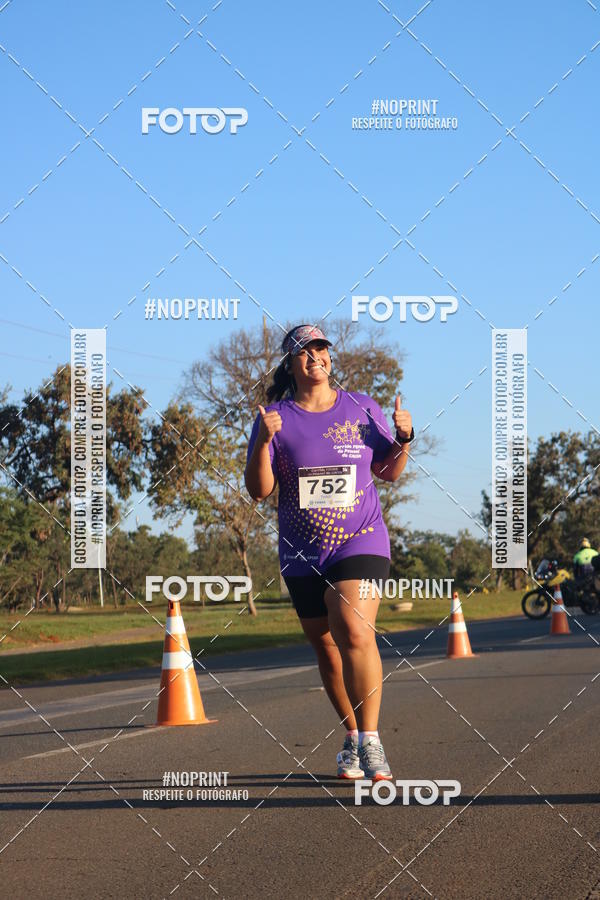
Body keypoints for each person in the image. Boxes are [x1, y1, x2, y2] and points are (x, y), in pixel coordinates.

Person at [244, 324, 413, 781]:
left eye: (321, 348)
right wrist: (262, 440)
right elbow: (259, 490)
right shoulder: (274, 417)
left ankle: (373, 742)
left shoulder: (361, 407)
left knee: (354, 631)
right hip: (301, 550)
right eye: (304, 350)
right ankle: (353, 738)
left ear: (330, 357)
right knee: (327, 648)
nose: (315, 356)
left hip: (361, 537)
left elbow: (389, 471)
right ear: (290, 363)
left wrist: (404, 439)